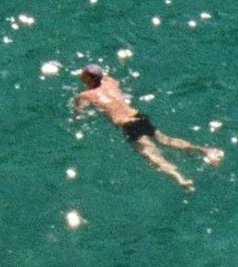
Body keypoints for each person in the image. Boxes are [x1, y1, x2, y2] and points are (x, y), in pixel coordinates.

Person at [71, 65, 224, 192]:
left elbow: (79, 115)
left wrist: (76, 117)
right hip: (139, 116)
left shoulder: (85, 95)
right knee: (166, 140)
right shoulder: (111, 82)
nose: (81, 76)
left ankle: (181, 179)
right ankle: (205, 150)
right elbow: (108, 79)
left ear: (89, 78)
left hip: (127, 125)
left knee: (152, 156)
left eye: (84, 74)